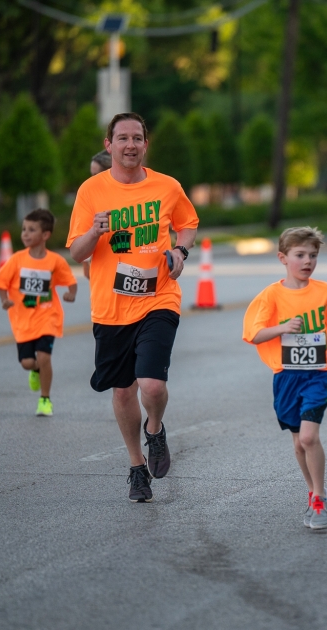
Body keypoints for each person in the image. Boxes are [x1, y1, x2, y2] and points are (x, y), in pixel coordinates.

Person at [67, 112, 199, 502]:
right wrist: (94, 230)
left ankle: (155, 429)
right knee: (123, 392)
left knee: (152, 384)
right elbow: (77, 252)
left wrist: (180, 249)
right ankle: (136, 466)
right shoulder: (91, 191)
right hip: (110, 307)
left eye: (137, 138)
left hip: (159, 297)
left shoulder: (167, 186)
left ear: (145, 144)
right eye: (122, 138)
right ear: (109, 146)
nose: (130, 145)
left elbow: (187, 222)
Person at [242, 227, 327, 530]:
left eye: (313, 255)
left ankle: (320, 496)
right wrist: (283, 328)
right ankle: (312, 489)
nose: (307, 261)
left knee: (308, 437)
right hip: (286, 376)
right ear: (283, 258)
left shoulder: (325, 291)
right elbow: (254, 334)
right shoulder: (271, 296)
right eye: (300, 255)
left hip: (319, 372)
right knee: (299, 443)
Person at [0, 209, 78, 417]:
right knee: (27, 363)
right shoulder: (16, 260)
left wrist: (71, 293)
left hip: (47, 317)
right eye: (24, 229)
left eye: (31, 230)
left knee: (44, 357)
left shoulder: (55, 261)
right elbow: (1, 283)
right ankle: (34, 370)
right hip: (23, 321)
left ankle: (45, 399)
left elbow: (70, 281)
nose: (25, 233)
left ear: (45, 235)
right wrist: (4, 300)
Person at [82, 152, 114, 279]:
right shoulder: (90, 198)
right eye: (91, 175)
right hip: (102, 269)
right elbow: (85, 231)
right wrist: (86, 262)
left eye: (96, 175)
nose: (92, 180)